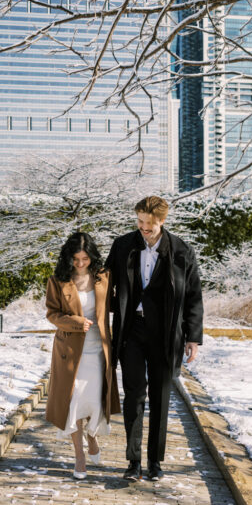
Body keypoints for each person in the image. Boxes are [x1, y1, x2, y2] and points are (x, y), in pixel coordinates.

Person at [105, 195, 203, 481]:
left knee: (161, 396)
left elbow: (194, 297)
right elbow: (105, 281)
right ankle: (133, 462)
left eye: (149, 223)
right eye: (139, 222)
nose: (143, 228)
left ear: (162, 221)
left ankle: (155, 462)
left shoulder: (182, 252)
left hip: (166, 333)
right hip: (132, 329)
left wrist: (192, 337)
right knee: (134, 394)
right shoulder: (123, 245)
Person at [44, 231, 121, 480]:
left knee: (95, 400)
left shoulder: (103, 277)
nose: (80, 264)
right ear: (68, 258)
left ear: (92, 257)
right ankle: (79, 455)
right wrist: (75, 322)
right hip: (70, 352)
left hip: (98, 349)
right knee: (74, 401)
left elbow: (117, 303)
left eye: (85, 259)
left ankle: (92, 436)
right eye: (75, 259)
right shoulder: (57, 280)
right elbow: (52, 314)